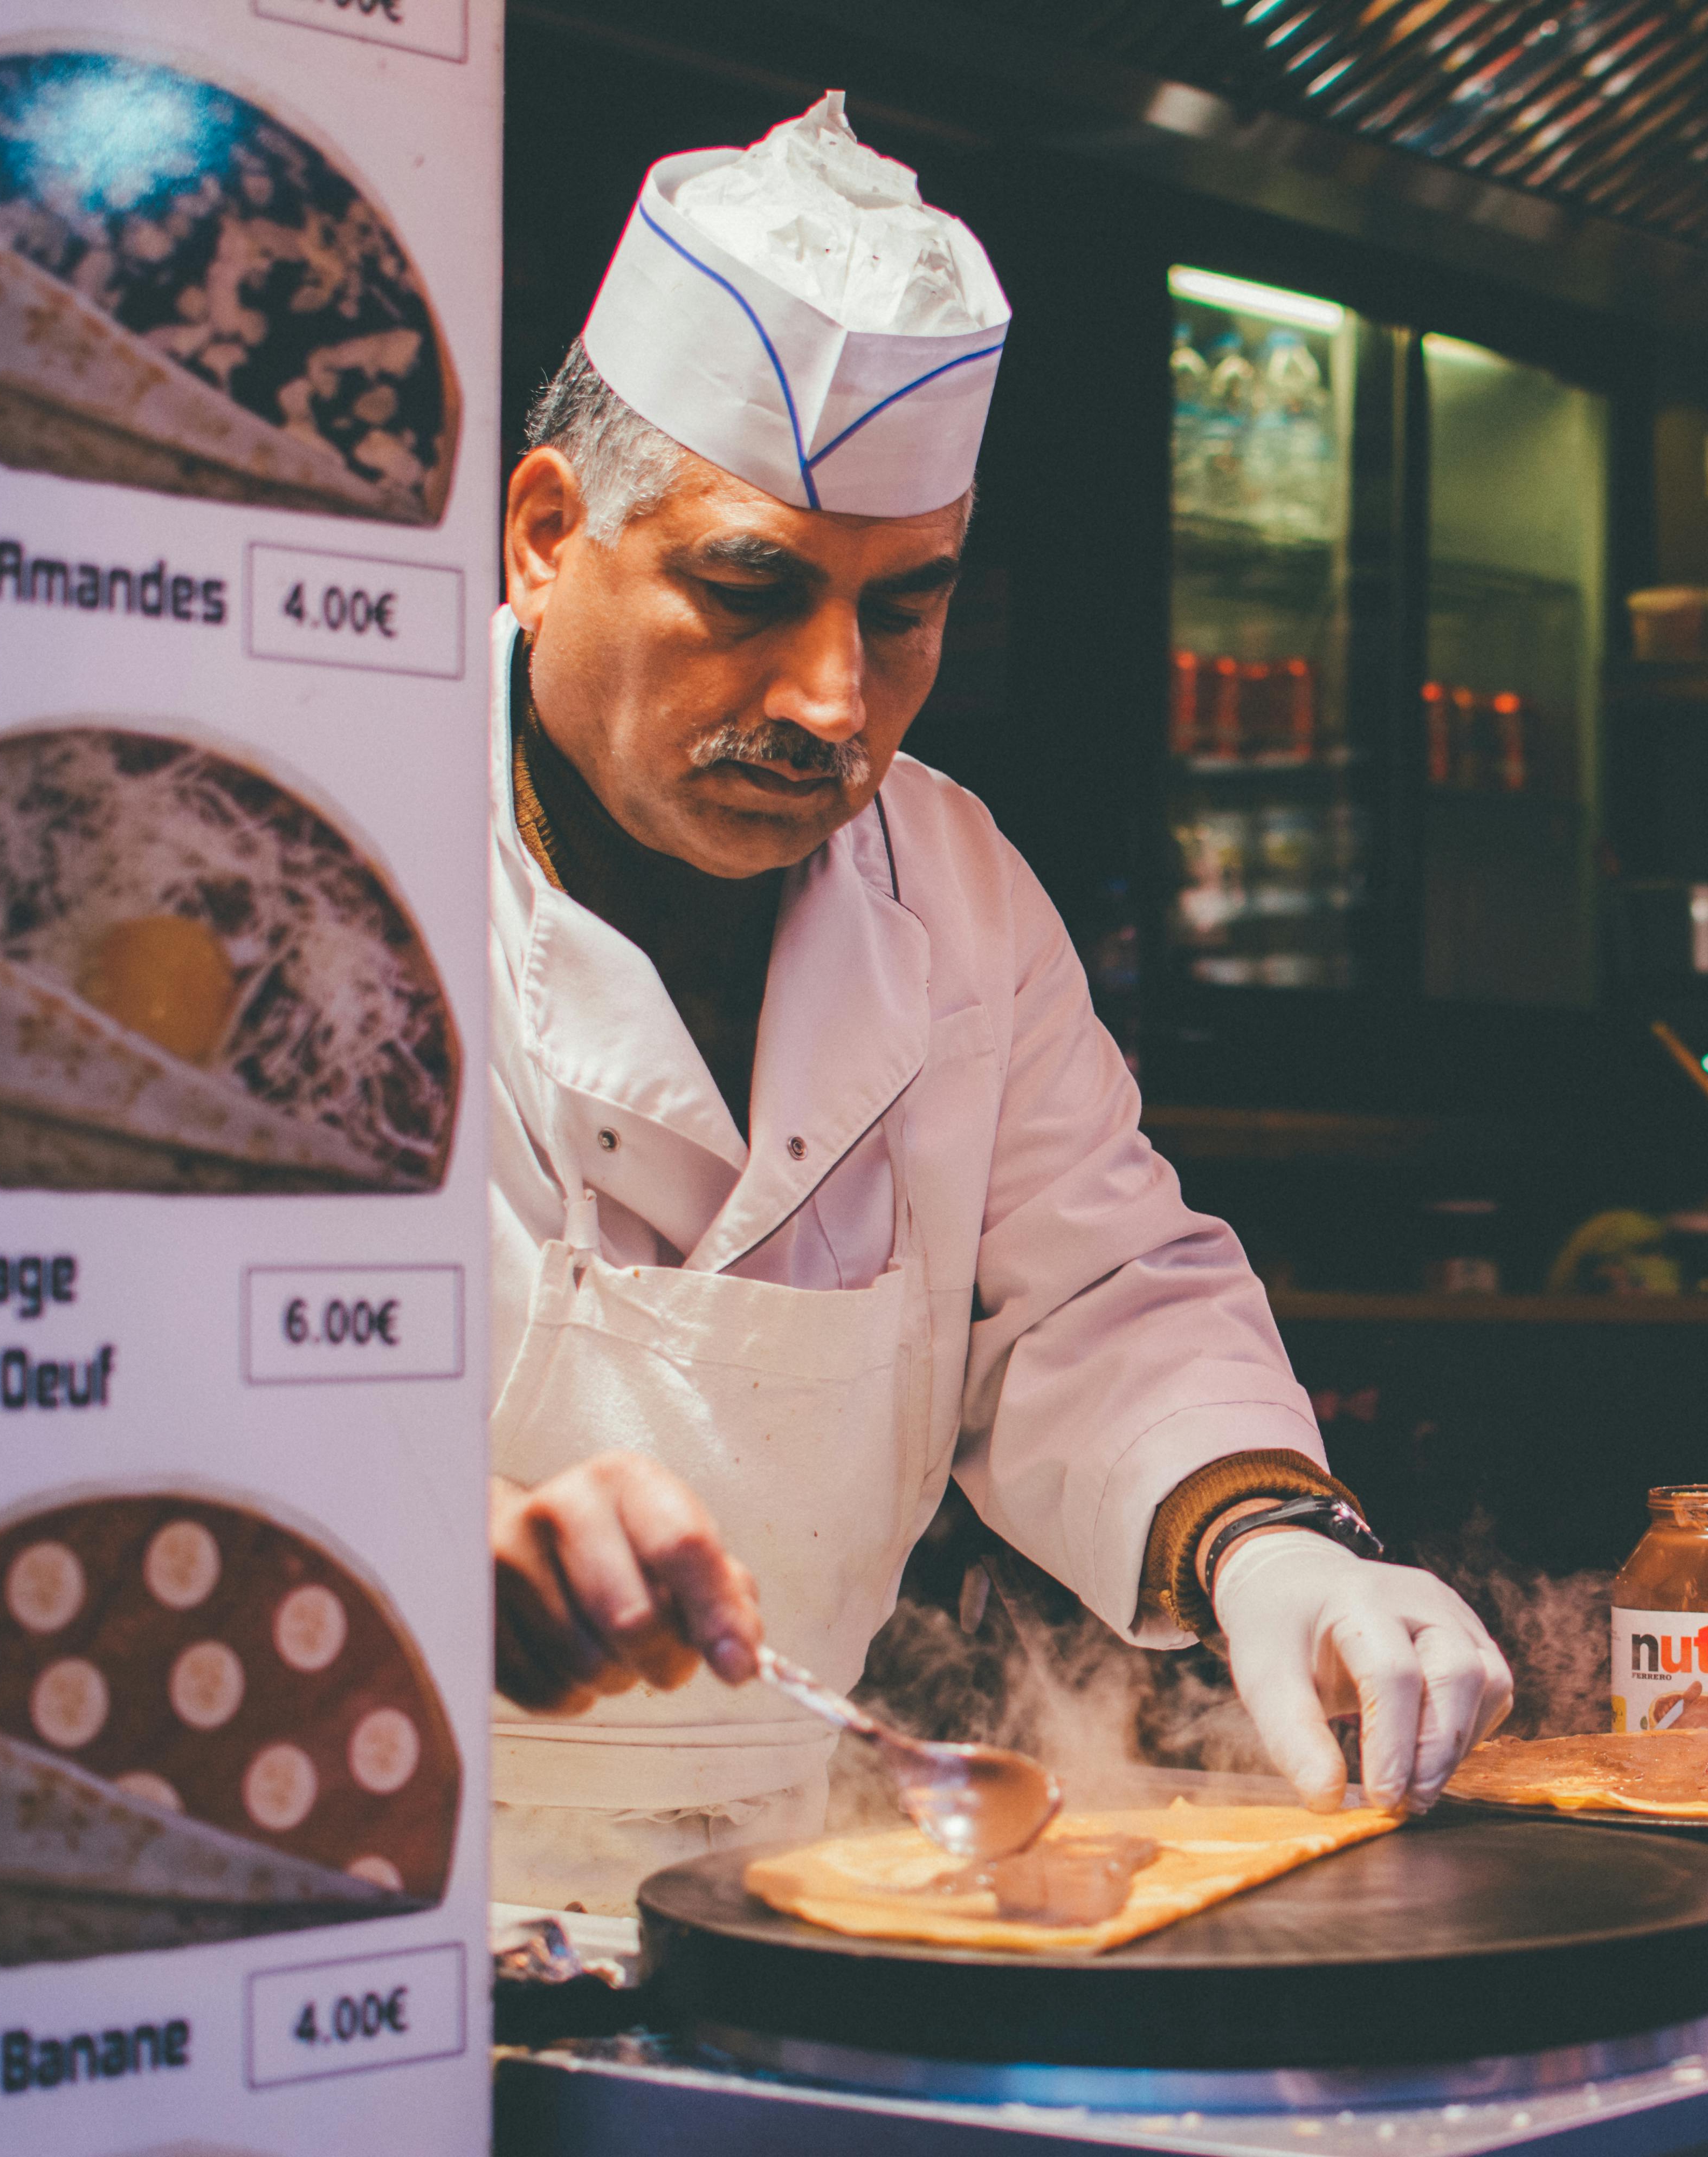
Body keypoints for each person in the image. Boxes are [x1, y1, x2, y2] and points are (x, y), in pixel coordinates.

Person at [485, 94, 1508, 1912]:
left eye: (904, 613)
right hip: (333, 1876)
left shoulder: (953, 892)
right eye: (752, 589)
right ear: (550, 534)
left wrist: (1282, 1548)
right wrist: (387, 1541)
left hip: (766, 1894)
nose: (831, 700)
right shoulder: (318, 847)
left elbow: (1093, 1300)